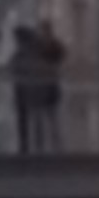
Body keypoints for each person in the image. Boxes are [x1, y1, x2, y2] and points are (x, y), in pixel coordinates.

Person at [8, 25, 43, 154]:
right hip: (25, 90)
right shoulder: (23, 54)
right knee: (28, 118)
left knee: (28, 118)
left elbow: (13, 67)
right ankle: (30, 145)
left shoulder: (25, 54)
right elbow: (12, 67)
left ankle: (28, 145)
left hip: (27, 89)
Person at [33, 20, 67, 151]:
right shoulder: (39, 46)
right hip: (42, 85)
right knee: (42, 117)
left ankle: (55, 145)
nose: (44, 33)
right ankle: (41, 146)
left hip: (50, 84)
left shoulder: (53, 45)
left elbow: (61, 55)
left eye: (45, 30)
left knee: (52, 117)